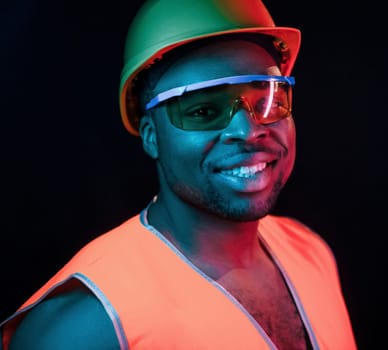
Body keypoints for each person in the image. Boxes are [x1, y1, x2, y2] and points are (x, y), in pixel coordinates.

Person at [1, 0, 358, 348]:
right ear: (152, 137)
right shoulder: (86, 325)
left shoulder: (310, 254)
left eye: (268, 99)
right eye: (203, 110)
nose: (248, 131)